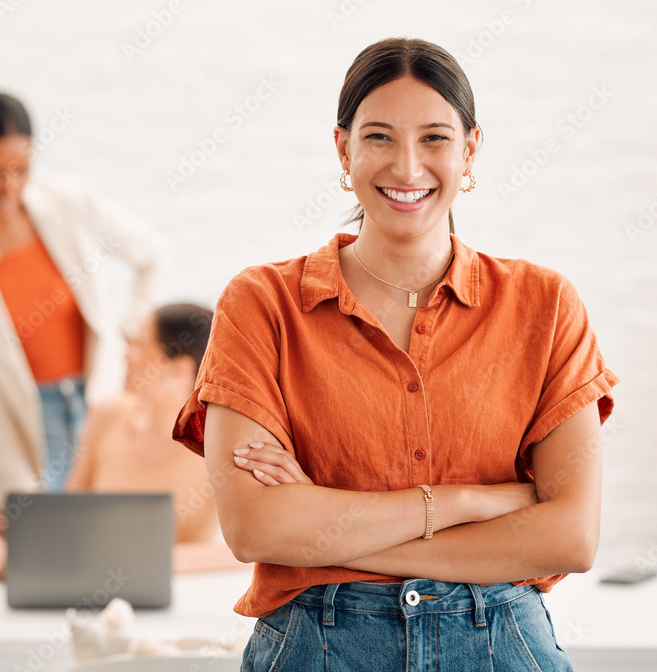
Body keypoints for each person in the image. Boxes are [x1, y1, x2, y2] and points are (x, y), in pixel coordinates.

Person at [173, 38, 619, 670]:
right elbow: (255, 530)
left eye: (434, 138)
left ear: (470, 150)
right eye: (379, 137)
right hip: (316, 647)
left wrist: (325, 535)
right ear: (342, 150)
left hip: (499, 646)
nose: (407, 168)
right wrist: (468, 502)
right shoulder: (262, 304)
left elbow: (570, 538)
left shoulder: (544, 305)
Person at [0, 93, 158, 525]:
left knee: (106, 542)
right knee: (47, 544)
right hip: (21, 422)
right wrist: (15, 489)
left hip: (92, 400)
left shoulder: (68, 202)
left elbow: (149, 252)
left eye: (20, 170)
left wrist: (134, 334)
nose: (8, 187)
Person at [0, 303, 240, 574]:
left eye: (139, 346)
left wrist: (148, 561)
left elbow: (246, 552)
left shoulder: (220, 443)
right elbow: (67, 525)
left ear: (180, 371)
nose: (125, 356)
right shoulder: (107, 416)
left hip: (185, 600)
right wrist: (2, 552)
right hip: (98, 593)